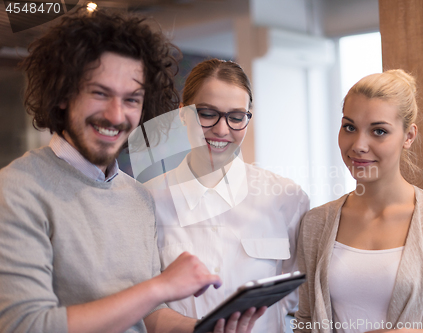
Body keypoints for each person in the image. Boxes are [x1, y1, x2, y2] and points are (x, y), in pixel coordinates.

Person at [0, 9, 264, 333]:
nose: (116, 115)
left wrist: (204, 328)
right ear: (64, 93)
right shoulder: (16, 189)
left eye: (131, 99)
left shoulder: (137, 197)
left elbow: (149, 314)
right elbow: (25, 326)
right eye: (100, 93)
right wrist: (162, 286)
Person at [293, 70, 423, 333]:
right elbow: (305, 322)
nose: (359, 145)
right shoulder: (315, 223)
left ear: (409, 136)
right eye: (349, 127)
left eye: (378, 131)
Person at [144, 59, 310, 332]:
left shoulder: (286, 198)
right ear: (183, 114)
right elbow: (141, 305)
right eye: (208, 114)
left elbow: (297, 299)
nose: (222, 130)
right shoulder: (147, 201)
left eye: (236, 117)